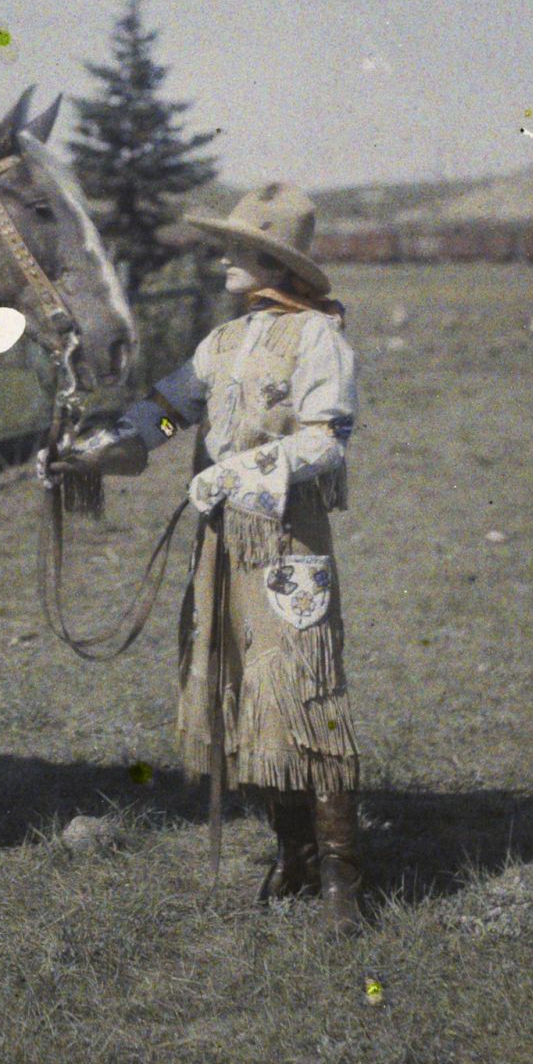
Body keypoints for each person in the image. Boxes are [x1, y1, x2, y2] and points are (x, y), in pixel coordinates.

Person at [50, 182, 363, 927]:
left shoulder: (319, 338)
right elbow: (162, 413)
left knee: (303, 694)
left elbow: (325, 438)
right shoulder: (220, 344)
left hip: (288, 543)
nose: (224, 257)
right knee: (241, 697)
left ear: (273, 262)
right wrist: (95, 452)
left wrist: (239, 472)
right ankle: (292, 854)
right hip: (218, 545)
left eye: (239, 247)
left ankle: (343, 881)